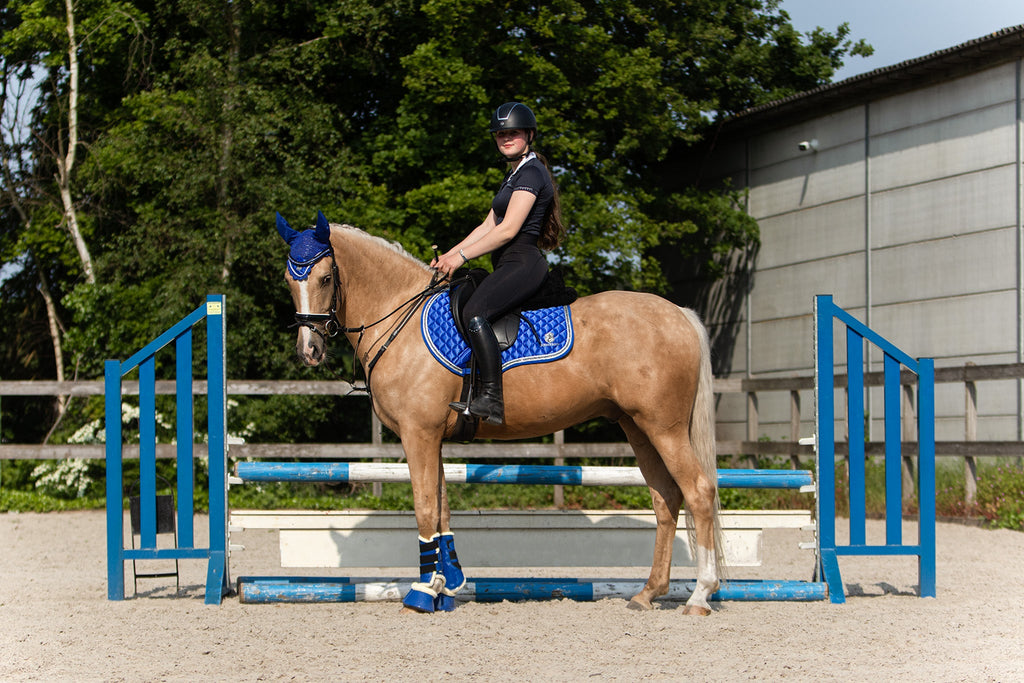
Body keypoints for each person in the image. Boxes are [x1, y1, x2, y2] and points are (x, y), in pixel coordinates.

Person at [431, 102, 565, 425]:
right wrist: (449, 256)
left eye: (513, 133)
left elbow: (507, 229)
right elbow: (487, 226)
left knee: (474, 311)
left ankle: (491, 397)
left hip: (523, 262)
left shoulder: (533, 172)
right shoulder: (513, 175)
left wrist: (462, 257)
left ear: (529, 135)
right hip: (507, 263)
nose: (506, 138)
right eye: (501, 134)